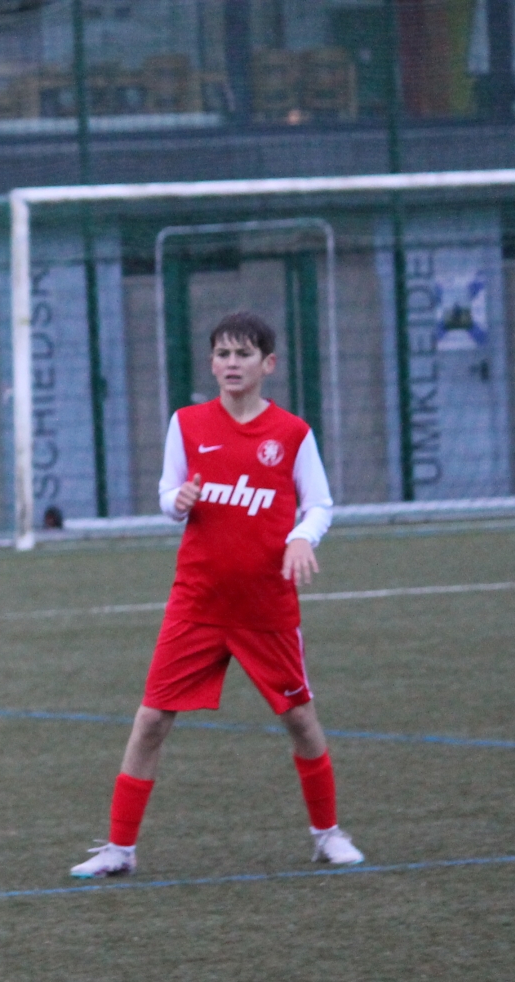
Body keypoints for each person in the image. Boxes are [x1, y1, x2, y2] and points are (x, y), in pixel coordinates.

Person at [71, 311, 365, 878]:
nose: (232, 364)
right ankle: (119, 850)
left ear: (268, 365)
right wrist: (174, 502)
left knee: (301, 720)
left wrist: (302, 537)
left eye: (244, 354)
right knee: (151, 720)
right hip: (198, 603)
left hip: (264, 606)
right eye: (223, 355)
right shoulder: (187, 424)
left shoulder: (291, 434)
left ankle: (327, 834)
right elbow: (166, 493)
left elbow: (320, 503)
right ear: (212, 363)